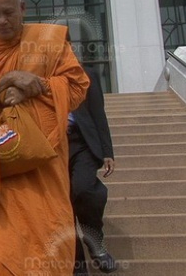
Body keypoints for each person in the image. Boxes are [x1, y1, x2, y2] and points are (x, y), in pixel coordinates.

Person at [0, 0, 90, 275]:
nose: (2, 21)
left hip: (45, 166)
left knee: (47, 242)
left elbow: (77, 88)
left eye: (8, 13)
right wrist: (3, 83)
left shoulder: (48, 40)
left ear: (23, 8)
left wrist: (36, 86)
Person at [68, 67, 117, 274]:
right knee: (62, 208)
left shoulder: (86, 75)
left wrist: (107, 150)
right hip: (51, 146)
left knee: (84, 188)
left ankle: (95, 239)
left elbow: (98, 112)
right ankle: (77, 265)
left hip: (82, 143)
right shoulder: (38, 75)